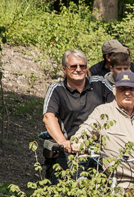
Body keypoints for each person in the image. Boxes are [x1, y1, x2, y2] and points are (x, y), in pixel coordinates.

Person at [42, 50, 114, 182]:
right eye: (73, 66)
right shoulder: (57, 89)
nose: (79, 69)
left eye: (83, 66)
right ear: (64, 69)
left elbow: (118, 105)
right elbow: (48, 117)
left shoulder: (99, 83)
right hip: (72, 151)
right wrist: (63, 142)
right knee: (66, 195)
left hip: (102, 151)